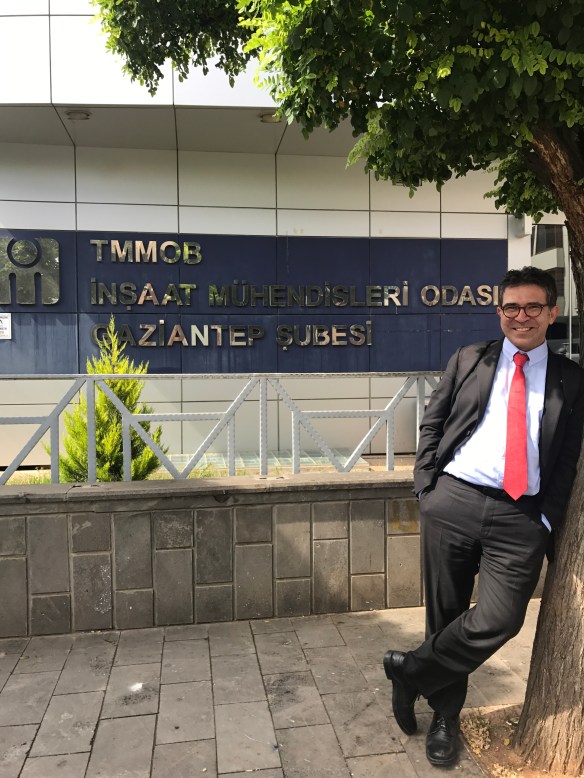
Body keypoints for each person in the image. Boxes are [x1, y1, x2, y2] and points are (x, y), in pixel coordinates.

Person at [383, 266, 584, 767]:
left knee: (501, 619)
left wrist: (546, 519)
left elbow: (566, 459)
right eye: (511, 306)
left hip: (521, 517)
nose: (522, 316)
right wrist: (426, 487)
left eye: (533, 306)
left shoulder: (571, 379)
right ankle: (445, 719)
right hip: (454, 501)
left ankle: (410, 671)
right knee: (446, 615)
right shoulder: (471, 358)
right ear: (499, 312)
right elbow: (433, 421)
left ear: (552, 312)